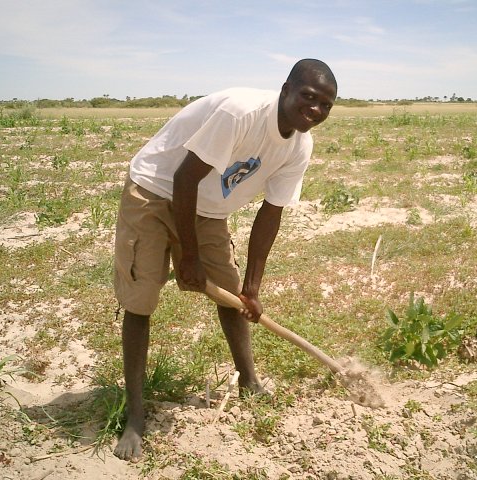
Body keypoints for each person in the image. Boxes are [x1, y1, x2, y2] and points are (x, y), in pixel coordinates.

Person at [112, 59, 337, 461]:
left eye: (326, 105)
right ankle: (135, 414)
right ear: (285, 89)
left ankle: (249, 380)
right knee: (141, 297)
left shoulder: (300, 144)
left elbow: (271, 213)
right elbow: (183, 178)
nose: (316, 110)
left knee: (232, 295)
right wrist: (188, 257)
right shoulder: (241, 113)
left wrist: (252, 286)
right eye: (309, 97)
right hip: (155, 188)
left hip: (208, 207)